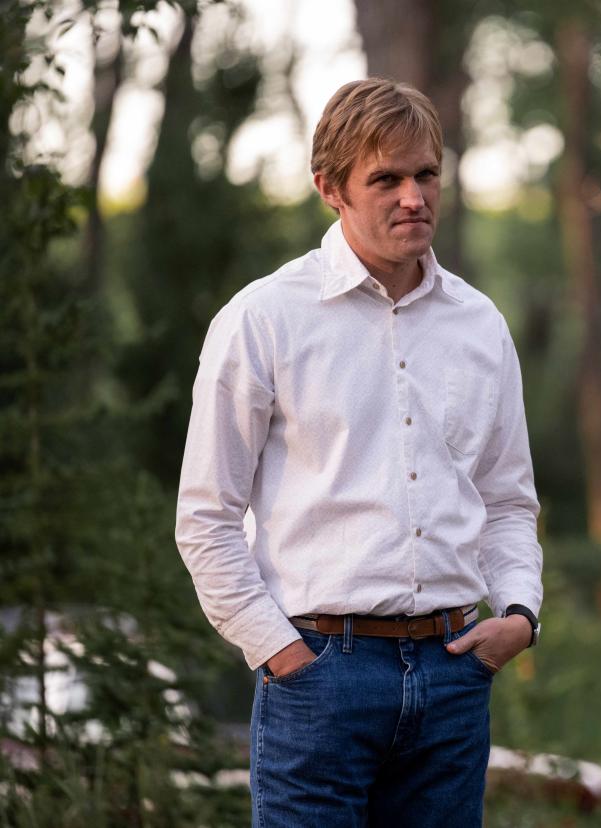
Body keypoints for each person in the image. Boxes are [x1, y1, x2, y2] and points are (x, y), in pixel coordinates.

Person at [174, 77, 543, 826]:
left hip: (453, 672)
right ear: (330, 189)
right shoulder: (263, 320)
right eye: (387, 179)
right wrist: (281, 654)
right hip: (318, 677)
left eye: (426, 174)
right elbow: (207, 518)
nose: (414, 196)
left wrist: (518, 615)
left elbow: (506, 500)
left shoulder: (479, 325)